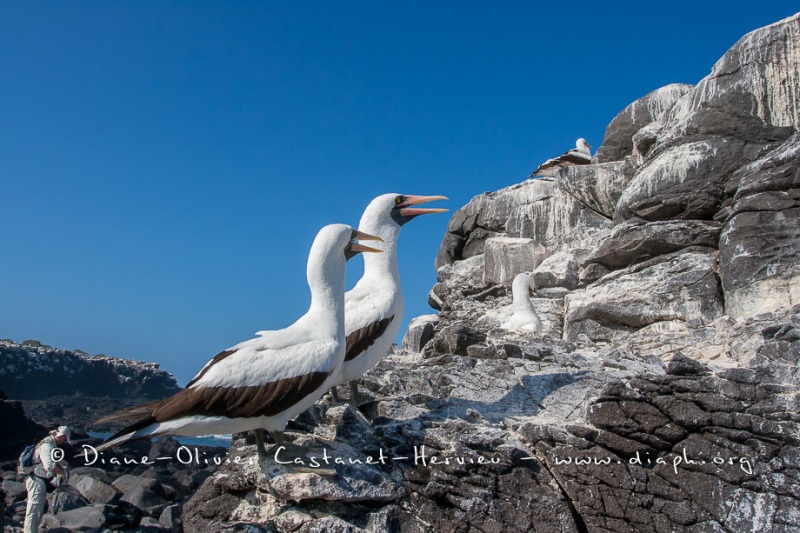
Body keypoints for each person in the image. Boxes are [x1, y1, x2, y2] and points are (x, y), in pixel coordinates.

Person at [24, 425, 71, 533]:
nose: (64, 441)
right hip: (36, 481)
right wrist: (64, 473)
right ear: (62, 436)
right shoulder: (47, 445)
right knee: (34, 511)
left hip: (39, 480)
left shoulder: (49, 444)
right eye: (64, 438)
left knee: (37, 511)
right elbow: (49, 465)